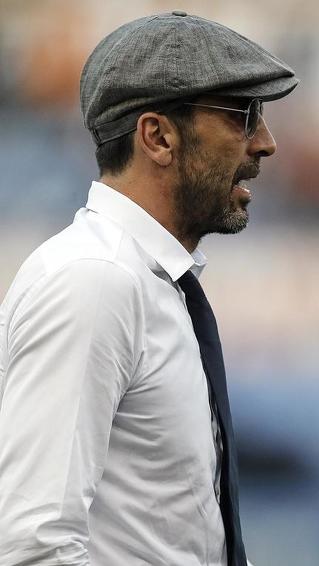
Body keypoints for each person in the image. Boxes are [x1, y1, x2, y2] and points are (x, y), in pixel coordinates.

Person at [0, 11, 298, 566]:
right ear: (158, 137)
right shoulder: (94, 280)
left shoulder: (150, 281)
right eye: (243, 114)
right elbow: (34, 548)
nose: (266, 143)